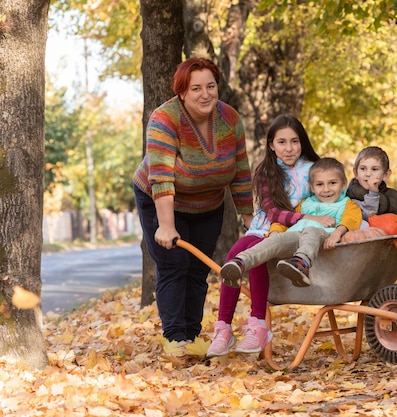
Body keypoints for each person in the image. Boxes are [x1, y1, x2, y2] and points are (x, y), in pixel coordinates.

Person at [133, 57, 254, 346]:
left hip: (208, 203)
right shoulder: (165, 119)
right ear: (182, 92)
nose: (205, 94)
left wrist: (251, 222)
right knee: (174, 265)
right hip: (160, 200)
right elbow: (161, 176)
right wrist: (165, 225)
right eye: (196, 88)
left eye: (210, 86)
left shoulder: (230, 120)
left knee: (199, 269)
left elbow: (240, 171)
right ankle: (176, 339)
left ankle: (193, 335)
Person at [206, 114, 331, 358]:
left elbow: (330, 196)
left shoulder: (314, 169)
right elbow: (272, 211)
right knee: (234, 255)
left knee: (255, 255)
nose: (289, 148)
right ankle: (223, 328)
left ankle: (258, 324)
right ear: (271, 145)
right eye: (281, 142)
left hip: (293, 233)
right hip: (268, 225)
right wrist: (306, 218)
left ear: (302, 142)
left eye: (294, 141)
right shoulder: (266, 171)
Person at [220, 157, 362, 290]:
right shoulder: (305, 204)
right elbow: (285, 221)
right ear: (312, 187)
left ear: (343, 184)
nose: (326, 189)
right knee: (275, 240)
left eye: (332, 183)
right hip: (295, 237)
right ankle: (241, 262)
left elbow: (351, 219)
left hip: (321, 239)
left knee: (312, 231)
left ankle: (301, 263)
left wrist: (337, 233)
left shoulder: (346, 204)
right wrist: (274, 231)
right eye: (320, 184)